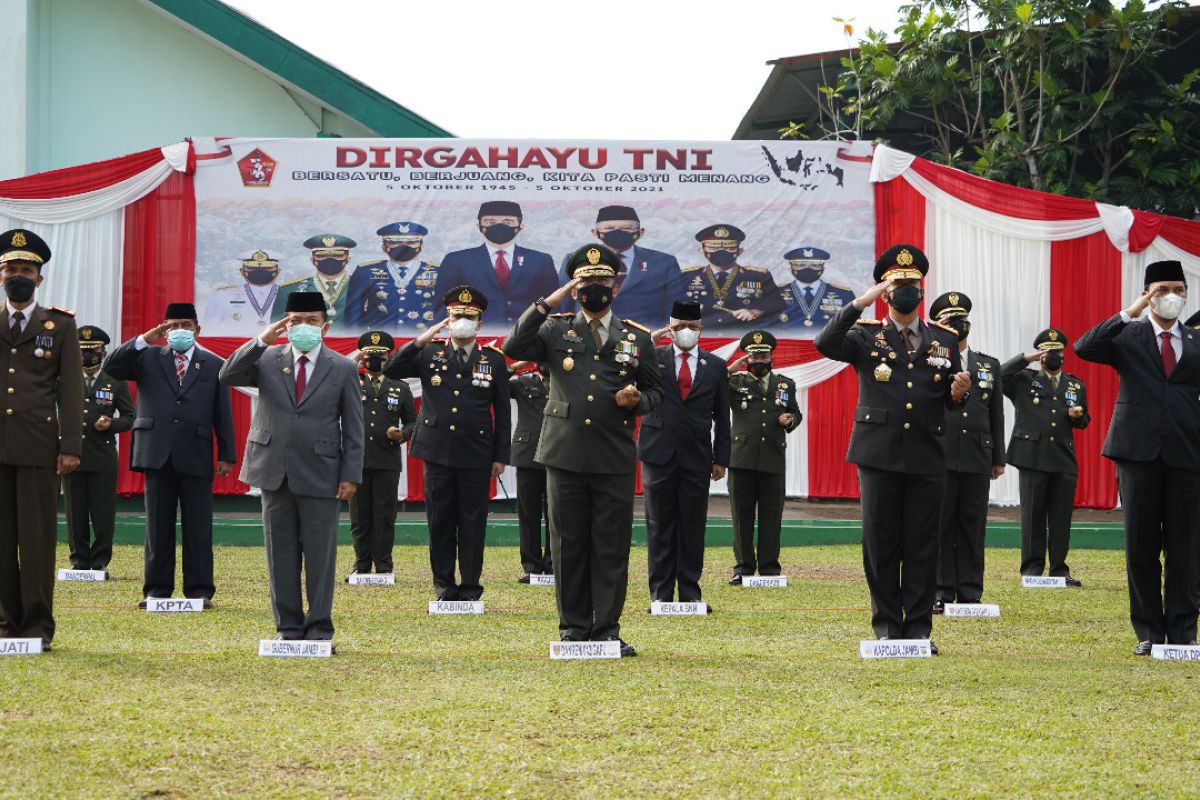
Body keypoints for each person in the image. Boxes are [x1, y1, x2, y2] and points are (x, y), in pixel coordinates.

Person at [503, 244, 664, 655]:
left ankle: (607, 628)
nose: (596, 287)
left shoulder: (637, 337)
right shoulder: (555, 329)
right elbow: (514, 347)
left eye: (603, 280)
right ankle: (573, 628)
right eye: (587, 281)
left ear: (616, 285)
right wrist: (547, 302)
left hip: (612, 453)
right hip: (564, 452)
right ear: (575, 287)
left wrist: (637, 401)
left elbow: (656, 392)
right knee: (568, 543)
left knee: (610, 545)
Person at [815, 243, 970, 651]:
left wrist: (959, 395)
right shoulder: (865, 335)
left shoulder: (944, 339)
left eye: (913, 282)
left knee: (922, 545)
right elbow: (824, 344)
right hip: (878, 453)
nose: (908, 289)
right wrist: (857, 304)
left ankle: (918, 631)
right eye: (899, 282)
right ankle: (887, 627)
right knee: (881, 544)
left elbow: (950, 398)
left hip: (927, 453)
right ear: (885, 289)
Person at [219, 292, 363, 645]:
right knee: (279, 552)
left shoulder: (342, 367)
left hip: (322, 471)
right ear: (284, 324)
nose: (303, 327)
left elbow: (354, 426)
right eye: (295, 320)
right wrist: (260, 340)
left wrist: (350, 474)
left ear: (325, 326)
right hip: (273, 468)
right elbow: (228, 374)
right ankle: (287, 626)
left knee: (320, 555)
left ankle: (319, 627)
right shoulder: (268, 358)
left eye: (311, 321)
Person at [1075, 259, 1200, 655]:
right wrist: (1128, 313)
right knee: (1141, 546)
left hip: (1186, 451)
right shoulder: (1129, 337)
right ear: (1148, 294)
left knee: (1185, 548)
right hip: (1136, 452)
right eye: (1163, 289)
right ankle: (1148, 631)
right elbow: (1084, 346)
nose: (1172, 297)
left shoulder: (1196, 342)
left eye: (1179, 290)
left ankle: (1183, 633)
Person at [104, 302, 236, 608]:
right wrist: (145, 339)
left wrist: (227, 453)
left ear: (197, 330)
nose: (180, 331)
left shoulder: (213, 363)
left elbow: (222, 412)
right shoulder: (147, 357)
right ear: (164, 329)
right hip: (156, 451)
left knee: (198, 527)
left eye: (186, 326)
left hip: (197, 452)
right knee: (157, 526)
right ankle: (156, 590)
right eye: (173, 326)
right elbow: (111, 365)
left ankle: (200, 590)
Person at [384, 285, 510, 601]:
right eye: (457, 315)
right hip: (437, 450)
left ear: (479, 322)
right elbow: (391, 368)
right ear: (447, 319)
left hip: (477, 452)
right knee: (440, 521)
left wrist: (501, 455)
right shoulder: (429, 352)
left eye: (469, 316)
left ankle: (470, 586)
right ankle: (443, 583)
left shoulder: (492, 359)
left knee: (472, 522)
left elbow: (503, 411)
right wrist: (419, 341)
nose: (463, 321)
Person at [0, 228, 83, 651]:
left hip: (39, 447)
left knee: (35, 540)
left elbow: (71, 391)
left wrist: (70, 445)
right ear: (0, 275)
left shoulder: (61, 324)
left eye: (27, 269)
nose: (19, 275)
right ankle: (2, 623)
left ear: (40, 277)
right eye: (11, 268)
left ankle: (35, 626)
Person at [638, 301, 730, 604]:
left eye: (691, 327)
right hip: (658, 452)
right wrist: (646, 343)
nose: (685, 332)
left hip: (697, 455)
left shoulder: (715, 366)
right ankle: (661, 595)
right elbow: (625, 369)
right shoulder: (653, 356)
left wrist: (721, 458)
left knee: (692, 525)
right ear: (669, 326)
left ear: (701, 328)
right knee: (659, 525)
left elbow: (722, 415)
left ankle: (690, 593)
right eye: (678, 327)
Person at [928, 292, 1005, 611]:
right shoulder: (930, 361)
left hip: (977, 454)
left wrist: (998, 458)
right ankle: (942, 589)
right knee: (941, 524)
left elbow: (996, 413)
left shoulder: (989, 365)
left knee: (973, 524)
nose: (959, 326)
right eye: (950, 322)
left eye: (962, 320)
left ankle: (970, 589)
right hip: (940, 454)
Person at [1002, 328, 1090, 587]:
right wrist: (1026, 358)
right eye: (1047, 351)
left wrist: (1078, 417)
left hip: (1063, 457)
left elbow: (1085, 421)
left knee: (1062, 518)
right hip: (1032, 455)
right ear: (1040, 354)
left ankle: (1059, 570)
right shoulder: (1023, 380)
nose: (1053, 356)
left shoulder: (1075, 385)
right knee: (1033, 516)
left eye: (1057, 351)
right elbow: (998, 375)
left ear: (1064, 354)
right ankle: (1031, 570)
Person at [724, 330, 800, 584]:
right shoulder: (736, 382)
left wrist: (790, 419)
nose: (759, 359)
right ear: (746, 357)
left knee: (771, 517)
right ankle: (743, 568)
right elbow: (711, 388)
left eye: (763, 354)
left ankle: (769, 569)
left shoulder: (785, 384)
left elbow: (795, 413)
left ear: (771, 356)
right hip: (741, 459)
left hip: (773, 459)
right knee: (741, 518)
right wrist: (730, 369)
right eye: (754, 355)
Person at [64, 325, 134, 574]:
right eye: (83, 351)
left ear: (104, 353)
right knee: (75, 512)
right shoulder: (65, 378)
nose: (87, 356)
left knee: (103, 513)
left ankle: (100, 560)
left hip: (102, 456)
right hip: (72, 454)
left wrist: (111, 424)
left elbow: (130, 416)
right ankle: (79, 561)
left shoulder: (114, 381)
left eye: (93, 351)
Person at [347, 331, 416, 578]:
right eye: (370, 354)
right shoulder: (351, 383)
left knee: (385, 515)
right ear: (362, 357)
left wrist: (402, 434)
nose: (374, 359)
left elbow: (412, 422)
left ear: (388, 357)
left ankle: (384, 567)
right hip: (357, 460)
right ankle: (361, 565)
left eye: (380, 355)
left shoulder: (400, 387)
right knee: (359, 516)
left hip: (387, 460)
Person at [435, 201, 558, 332]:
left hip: (528, 337)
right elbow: (442, 306)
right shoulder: (456, 260)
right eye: (490, 221)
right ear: (479, 226)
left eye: (508, 221)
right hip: (475, 336)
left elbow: (553, 302)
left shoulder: (540, 260)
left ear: (520, 226)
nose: (499, 225)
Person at [558, 206, 687, 330]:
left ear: (640, 232)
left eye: (627, 228)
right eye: (609, 228)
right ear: (595, 232)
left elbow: (675, 309)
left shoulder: (663, 262)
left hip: (647, 338)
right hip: (588, 336)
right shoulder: (575, 260)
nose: (618, 232)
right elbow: (562, 304)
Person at [680, 224, 784, 332]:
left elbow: (777, 303)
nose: (721, 252)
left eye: (729, 248)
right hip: (701, 336)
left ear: (740, 251)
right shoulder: (687, 277)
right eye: (713, 248)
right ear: (701, 251)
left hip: (743, 336)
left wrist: (756, 311)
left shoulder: (758, 276)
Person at [344, 222, 441, 332]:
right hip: (377, 341)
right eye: (395, 242)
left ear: (421, 246)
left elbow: (445, 313)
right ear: (384, 247)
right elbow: (352, 316)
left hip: (422, 339)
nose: (404, 246)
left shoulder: (439, 272)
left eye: (412, 242)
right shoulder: (365, 272)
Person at [508, 360, 553, 581]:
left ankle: (554, 564)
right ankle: (532, 567)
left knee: (558, 514)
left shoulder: (568, 380)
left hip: (560, 453)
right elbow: (494, 381)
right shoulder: (523, 381)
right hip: (528, 453)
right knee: (528, 513)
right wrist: (516, 365)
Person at [272, 233, 357, 330]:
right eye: (321, 256)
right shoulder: (289, 290)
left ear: (348, 259)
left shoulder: (366, 288)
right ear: (312, 259)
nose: (329, 259)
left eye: (337, 255)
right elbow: (278, 329)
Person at [772, 247, 857, 332]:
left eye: (814, 265)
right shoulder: (774, 294)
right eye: (800, 265)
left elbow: (854, 328)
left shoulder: (844, 294)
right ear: (791, 268)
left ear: (823, 268)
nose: (807, 268)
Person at [202, 249, 283, 336]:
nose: (259, 271)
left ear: (278, 272)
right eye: (252, 268)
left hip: (279, 347)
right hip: (235, 348)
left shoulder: (288, 295)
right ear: (242, 271)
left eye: (268, 268)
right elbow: (209, 330)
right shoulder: (222, 296)